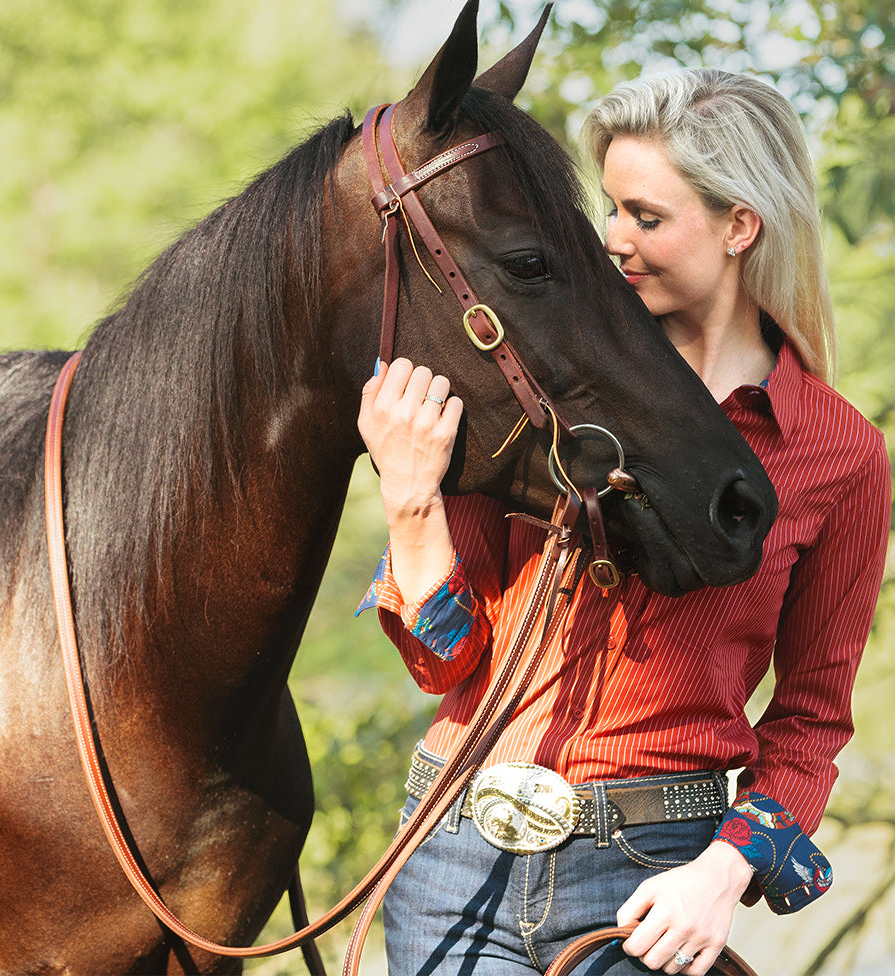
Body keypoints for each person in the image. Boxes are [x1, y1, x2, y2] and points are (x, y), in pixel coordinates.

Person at [356, 69, 891, 976]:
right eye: (609, 210)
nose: (613, 240)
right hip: (454, 853)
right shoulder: (533, 385)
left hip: (651, 887)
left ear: (739, 225)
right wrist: (411, 501)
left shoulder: (836, 454)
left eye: (645, 216)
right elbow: (442, 663)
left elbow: (810, 721)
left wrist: (723, 872)